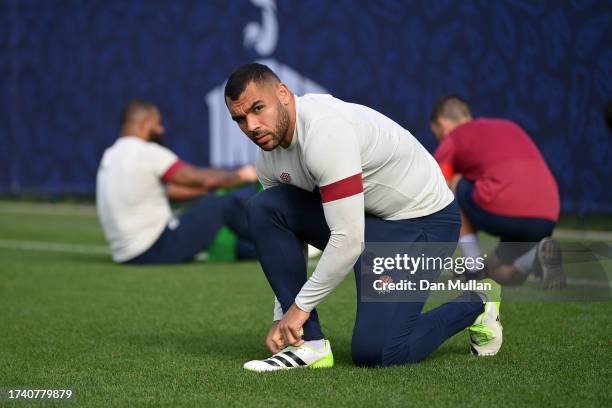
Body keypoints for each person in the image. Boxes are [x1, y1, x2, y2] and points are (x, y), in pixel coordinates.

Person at [224, 63, 502, 372]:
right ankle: (309, 346)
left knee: (379, 352)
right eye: (240, 119)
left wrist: (299, 309)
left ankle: (477, 302)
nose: (252, 126)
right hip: (367, 220)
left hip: (423, 223)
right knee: (265, 206)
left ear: (283, 94)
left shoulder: (324, 131)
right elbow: (287, 236)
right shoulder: (268, 156)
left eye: (257, 109)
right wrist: (285, 314)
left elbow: (349, 240)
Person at [96, 100, 258, 264]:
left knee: (209, 206)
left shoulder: (110, 155)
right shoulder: (147, 152)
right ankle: (277, 239)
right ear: (144, 124)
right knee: (225, 205)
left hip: (128, 255)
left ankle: (261, 252)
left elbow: (169, 192)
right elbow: (199, 179)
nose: (162, 129)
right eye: (158, 123)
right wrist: (243, 175)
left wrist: (207, 191)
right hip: (156, 248)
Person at [430, 95, 565, 288]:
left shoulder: (454, 137)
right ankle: (534, 257)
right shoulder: (510, 126)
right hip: (546, 217)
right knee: (496, 274)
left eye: (437, 134)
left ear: (442, 124)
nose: (440, 140)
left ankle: (473, 267)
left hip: (504, 209)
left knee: (454, 184)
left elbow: (437, 190)